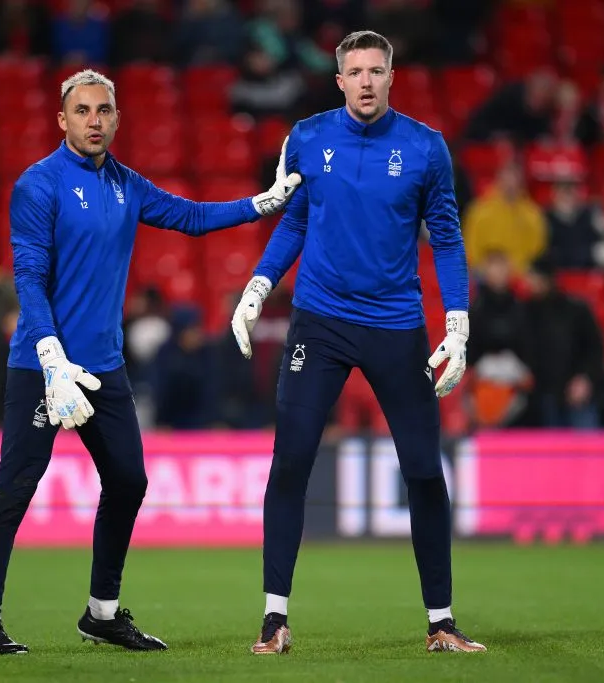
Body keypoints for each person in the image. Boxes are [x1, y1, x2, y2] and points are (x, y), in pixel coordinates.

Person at [0, 68, 300, 655]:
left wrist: (262, 204)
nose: (94, 120)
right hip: (41, 367)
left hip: (104, 367)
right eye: (83, 111)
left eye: (104, 111)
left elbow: (191, 217)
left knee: (128, 480)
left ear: (117, 119)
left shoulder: (127, 184)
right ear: (62, 119)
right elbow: (29, 275)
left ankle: (101, 613)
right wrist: (49, 355)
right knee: (16, 485)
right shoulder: (37, 185)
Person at [230, 31, 485, 655]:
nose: (366, 81)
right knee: (289, 462)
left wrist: (457, 321)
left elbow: (447, 239)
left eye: (377, 70)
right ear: (338, 79)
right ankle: (274, 621)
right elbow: (294, 215)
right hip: (319, 322)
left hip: (397, 325)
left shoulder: (426, 148)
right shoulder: (309, 138)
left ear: (391, 77)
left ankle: (441, 622)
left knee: (425, 471)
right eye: (355, 72)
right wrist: (259, 286)